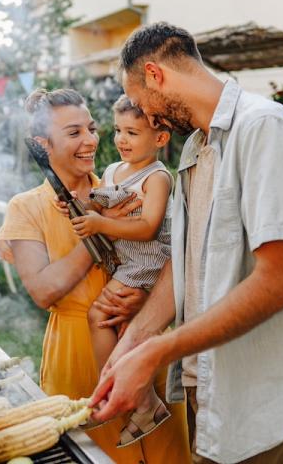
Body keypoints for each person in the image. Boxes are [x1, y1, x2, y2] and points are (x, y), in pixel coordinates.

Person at [90, 22, 283, 464]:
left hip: (257, 390)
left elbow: (277, 281)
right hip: (206, 382)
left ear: (155, 74)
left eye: (143, 105)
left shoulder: (263, 128)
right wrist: (134, 343)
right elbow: (186, 264)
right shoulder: (194, 148)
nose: (150, 120)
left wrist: (160, 349)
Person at [0, 88, 191, 464]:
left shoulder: (125, 187)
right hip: (80, 355)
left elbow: (169, 250)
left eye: (91, 128)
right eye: (73, 133)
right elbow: (44, 290)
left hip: (146, 341)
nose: (90, 141)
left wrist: (148, 300)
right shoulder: (26, 208)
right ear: (43, 144)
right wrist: (100, 232)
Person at [70, 94, 174, 446]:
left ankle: (116, 395)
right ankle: (144, 404)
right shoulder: (114, 170)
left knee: (99, 315)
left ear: (160, 138)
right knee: (121, 326)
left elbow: (148, 227)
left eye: (132, 132)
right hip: (124, 262)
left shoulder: (157, 178)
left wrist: (99, 224)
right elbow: (101, 201)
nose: (121, 140)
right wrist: (79, 204)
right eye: (117, 130)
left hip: (146, 262)